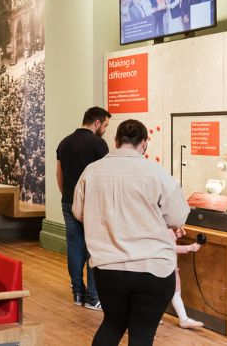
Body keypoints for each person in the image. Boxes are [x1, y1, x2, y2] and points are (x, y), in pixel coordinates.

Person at [73, 119, 190, 346]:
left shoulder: (92, 171)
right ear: (145, 143)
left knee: (112, 324)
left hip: (108, 267)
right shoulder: (158, 173)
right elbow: (177, 217)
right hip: (153, 268)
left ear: (115, 141)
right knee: (142, 334)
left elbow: (79, 211)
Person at [56, 106, 111, 311]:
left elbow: (59, 174)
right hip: (91, 203)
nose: (105, 129)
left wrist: (66, 195)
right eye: (105, 125)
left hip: (68, 201)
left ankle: (78, 292)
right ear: (96, 123)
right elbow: (104, 177)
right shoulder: (98, 144)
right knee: (94, 247)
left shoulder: (65, 142)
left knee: (74, 246)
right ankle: (93, 297)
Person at [168, 227, 203, 329]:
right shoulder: (161, 225)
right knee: (166, 293)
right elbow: (169, 247)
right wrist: (189, 248)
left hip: (171, 267)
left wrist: (176, 235)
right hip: (165, 267)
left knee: (175, 292)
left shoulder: (166, 226)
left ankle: (184, 319)